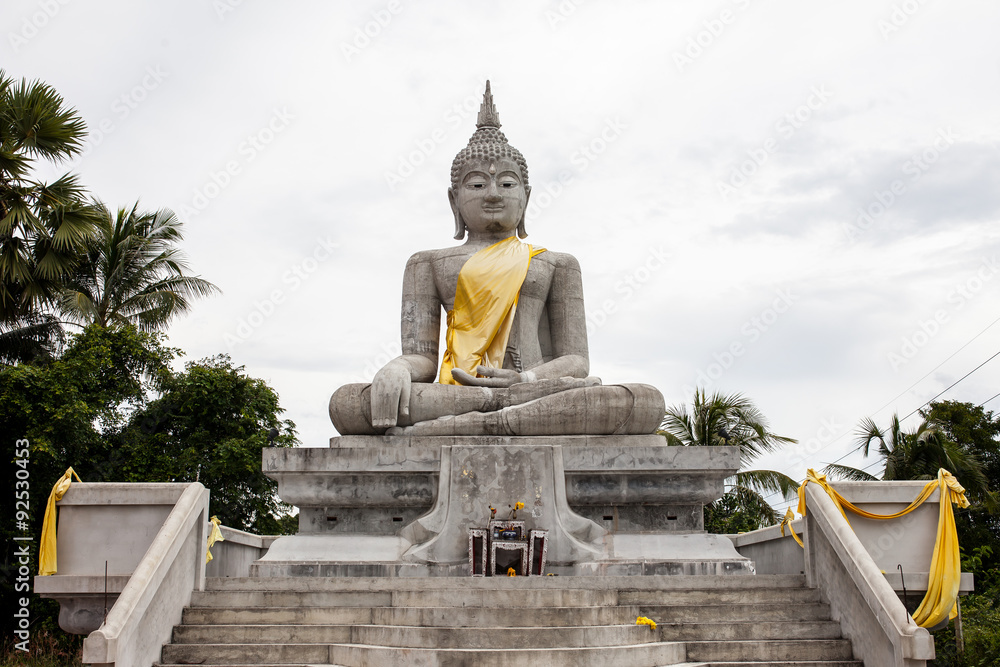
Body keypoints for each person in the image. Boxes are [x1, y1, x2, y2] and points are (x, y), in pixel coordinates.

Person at [329, 82, 663, 436]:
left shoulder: (556, 263)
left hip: (532, 389)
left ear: (526, 198)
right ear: (453, 200)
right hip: (456, 393)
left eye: (506, 184)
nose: (492, 194)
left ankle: (478, 421)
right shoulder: (426, 263)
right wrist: (397, 369)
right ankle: (499, 415)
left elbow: (577, 362)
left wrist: (524, 378)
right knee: (349, 403)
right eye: (476, 185)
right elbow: (423, 358)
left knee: (643, 401)